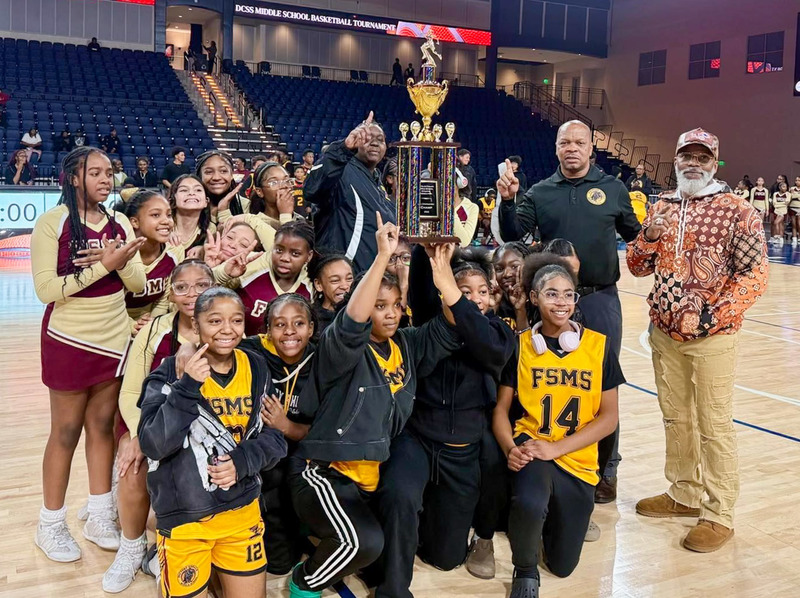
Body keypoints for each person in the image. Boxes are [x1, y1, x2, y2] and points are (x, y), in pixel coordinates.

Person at [285, 216, 463, 598]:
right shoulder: (341, 348)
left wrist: (443, 270)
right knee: (362, 544)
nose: (391, 313)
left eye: (396, 305)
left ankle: (328, 546)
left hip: (367, 478)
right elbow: (352, 322)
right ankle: (303, 583)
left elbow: (450, 327)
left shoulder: (407, 344)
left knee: (377, 555)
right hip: (324, 471)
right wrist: (382, 257)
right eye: (380, 306)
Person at [628, 127, 768, 553]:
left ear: (714, 162)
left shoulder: (738, 210)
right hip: (664, 333)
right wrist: (650, 236)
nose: (693, 163)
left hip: (714, 337)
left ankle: (719, 513)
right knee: (676, 417)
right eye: (686, 156)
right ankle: (684, 493)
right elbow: (636, 266)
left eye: (702, 157)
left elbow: (755, 274)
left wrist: (713, 314)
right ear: (675, 160)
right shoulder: (661, 206)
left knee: (714, 423)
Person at [497, 119, 641, 503]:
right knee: (552, 382)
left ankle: (606, 470)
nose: (572, 148)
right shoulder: (540, 192)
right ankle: (554, 455)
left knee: (602, 388)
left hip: (599, 298)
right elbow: (514, 232)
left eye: (579, 142)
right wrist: (508, 200)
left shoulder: (613, 189)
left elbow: (635, 237)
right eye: (565, 143)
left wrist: (654, 234)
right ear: (557, 148)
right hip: (553, 302)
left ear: (591, 148)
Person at [373, 245, 515, 598]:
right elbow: (423, 285)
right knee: (400, 494)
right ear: (445, 293)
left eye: (482, 292)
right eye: (465, 291)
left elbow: (489, 348)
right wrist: (429, 247)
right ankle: (392, 587)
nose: (474, 299)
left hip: (460, 450)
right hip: (417, 439)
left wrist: (455, 293)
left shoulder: (498, 333)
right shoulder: (429, 324)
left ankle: (430, 527)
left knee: (446, 558)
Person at [30, 147, 146, 563]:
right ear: (73, 178)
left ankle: (99, 515)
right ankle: (50, 525)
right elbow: (46, 290)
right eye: (94, 172)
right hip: (69, 338)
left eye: (108, 172)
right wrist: (103, 266)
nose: (105, 179)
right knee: (65, 432)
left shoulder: (119, 223)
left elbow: (137, 283)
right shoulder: (52, 223)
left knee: (100, 428)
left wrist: (119, 262)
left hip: (113, 338)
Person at [137, 288, 288, 598]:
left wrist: (242, 462)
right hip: (186, 519)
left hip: (242, 510)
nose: (227, 329)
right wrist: (187, 386)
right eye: (215, 321)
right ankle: (155, 555)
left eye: (236, 320)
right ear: (196, 325)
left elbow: (275, 438)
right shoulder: (169, 373)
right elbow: (153, 444)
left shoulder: (256, 367)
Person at [494, 255, 622, 598]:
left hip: (576, 458)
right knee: (530, 502)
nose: (562, 302)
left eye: (568, 294)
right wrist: (510, 449)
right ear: (534, 297)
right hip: (533, 446)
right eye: (551, 294)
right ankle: (525, 570)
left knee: (564, 565)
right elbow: (501, 410)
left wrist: (557, 449)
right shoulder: (521, 347)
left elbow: (609, 418)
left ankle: (545, 525)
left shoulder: (598, 347)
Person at [105, 261, 211, 593]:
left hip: (205, 431)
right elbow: (130, 392)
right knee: (134, 464)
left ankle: (173, 540)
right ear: (171, 293)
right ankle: (131, 546)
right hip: (157, 424)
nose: (192, 294)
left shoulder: (225, 326)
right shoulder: (154, 330)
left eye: (202, 285)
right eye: (182, 287)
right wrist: (138, 434)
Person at [241, 294, 318, 575]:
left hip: (304, 448)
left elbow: (326, 431)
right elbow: (210, 346)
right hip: (260, 449)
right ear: (267, 330)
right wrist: (188, 349)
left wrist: (286, 426)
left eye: (299, 323)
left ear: (311, 328)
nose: (289, 332)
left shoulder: (322, 360)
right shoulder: (251, 351)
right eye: (280, 324)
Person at [304, 111, 395, 272]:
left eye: (380, 140)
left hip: (373, 276)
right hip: (345, 277)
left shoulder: (377, 182)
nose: (375, 143)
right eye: (368, 138)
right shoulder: (341, 170)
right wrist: (343, 149)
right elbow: (311, 189)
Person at [214, 220, 314, 335]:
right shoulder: (249, 263)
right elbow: (207, 289)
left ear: (309, 256)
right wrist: (224, 274)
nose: (285, 258)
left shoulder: (311, 284)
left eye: (295, 254)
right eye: (279, 250)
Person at [120, 190, 185, 323]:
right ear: (134, 222)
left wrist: (153, 323)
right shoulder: (119, 254)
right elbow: (107, 302)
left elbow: (164, 299)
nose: (166, 221)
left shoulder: (175, 251)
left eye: (169, 215)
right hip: (116, 321)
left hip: (150, 321)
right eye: (156, 215)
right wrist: (132, 325)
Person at [196, 150, 251, 224]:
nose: (216, 177)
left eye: (223, 171)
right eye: (209, 172)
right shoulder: (190, 205)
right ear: (200, 176)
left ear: (231, 175)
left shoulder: (245, 205)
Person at [167, 173, 215, 254]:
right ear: (172, 200)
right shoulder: (161, 226)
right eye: (184, 190)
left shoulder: (210, 229)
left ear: (206, 202)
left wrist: (202, 251)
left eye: (198, 190)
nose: (191, 193)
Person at [309, 253, 355, 336]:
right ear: (318, 284)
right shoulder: (310, 319)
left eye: (349, 279)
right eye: (335, 280)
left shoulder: (362, 316)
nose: (345, 286)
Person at [771, 181, 790, 246]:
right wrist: (782, 204)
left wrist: (778, 204)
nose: (785, 188)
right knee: (780, 224)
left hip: (783, 211)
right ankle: (781, 238)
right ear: (780, 187)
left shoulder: (788, 194)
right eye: (783, 187)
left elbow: (787, 203)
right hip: (776, 211)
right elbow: (774, 204)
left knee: (776, 222)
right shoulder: (775, 194)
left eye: (786, 187)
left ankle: (777, 237)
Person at [789, 176, 800, 247]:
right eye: (796, 180)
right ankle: (794, 238)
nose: (797, 182)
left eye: (799, 180)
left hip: (799, 207)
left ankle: (799, 238)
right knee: (793, 224)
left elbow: (794, 195)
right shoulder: (792, 188)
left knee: (799, 223)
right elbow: (791, 196)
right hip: (792, 207)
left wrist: (795, 194)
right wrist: (797, 195)